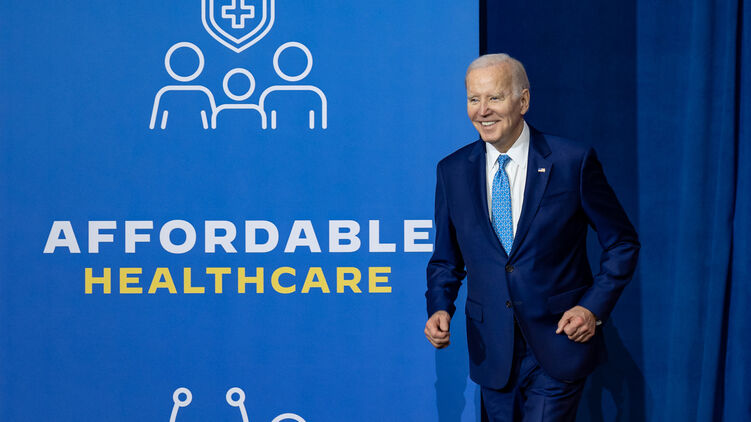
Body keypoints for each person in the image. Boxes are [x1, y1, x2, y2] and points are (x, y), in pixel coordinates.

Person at [424, 53, 639, 422]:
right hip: (492, 349)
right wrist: (440, 307)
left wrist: (591, 308)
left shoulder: (571, 161)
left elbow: (622, 243)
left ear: (523, 101)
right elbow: (446, 259)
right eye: (474, 99)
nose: (482, 110)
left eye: (494, 98)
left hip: (559, 340)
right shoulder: (452, 171)